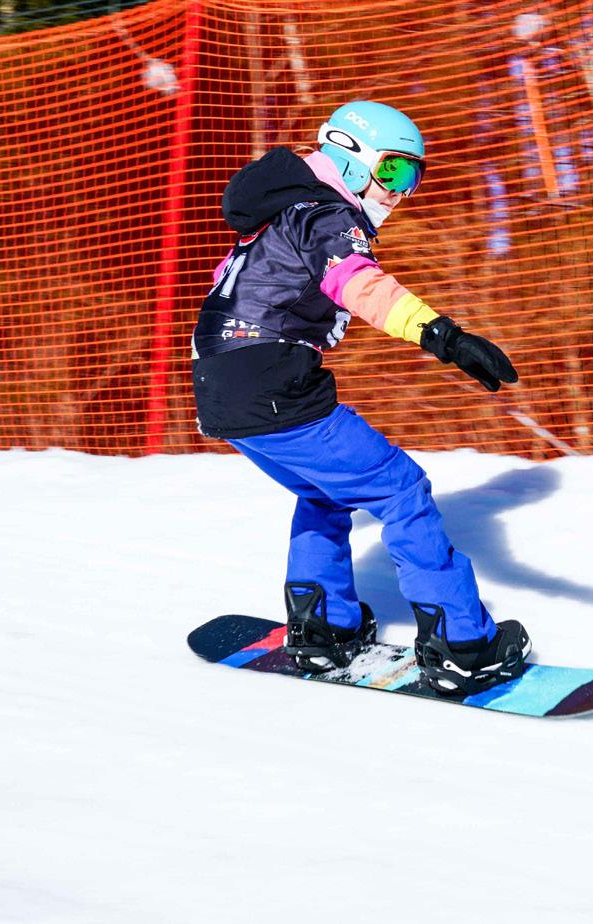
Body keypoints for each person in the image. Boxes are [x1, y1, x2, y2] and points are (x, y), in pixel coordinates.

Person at [192, 100, 530, 696]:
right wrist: (445, 336)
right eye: (393, 170)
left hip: (220, 383)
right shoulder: (323, 214)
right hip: (271, 379)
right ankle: (462, 646)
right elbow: (358, 284)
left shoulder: (281, 211)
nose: (400, 191)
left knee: (322, 493)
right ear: (349, 155)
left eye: (412, 177)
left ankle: (323, 629)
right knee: (402, 491)